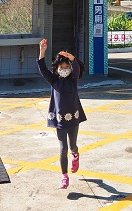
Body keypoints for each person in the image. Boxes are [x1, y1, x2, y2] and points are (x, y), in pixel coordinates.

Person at [37, 38, 86, 189]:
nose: (64, 69)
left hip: (73, 119)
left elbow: (77, 66)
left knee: (72, 146)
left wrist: (70, 56)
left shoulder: (73, 79)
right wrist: (42, 51)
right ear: (57, 68)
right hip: (59, 120)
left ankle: (76, 155)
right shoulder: (54, 80)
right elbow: (42, 69)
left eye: (67, 66)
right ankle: (64, 176)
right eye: (61, 67)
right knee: (62, 148)